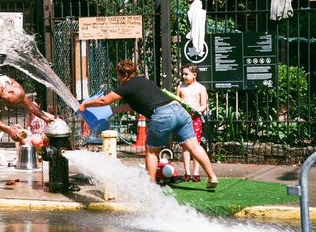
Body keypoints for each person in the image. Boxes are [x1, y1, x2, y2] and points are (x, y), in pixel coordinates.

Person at [78, 59, 218, 188]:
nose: (118, 79)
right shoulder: (143, 81)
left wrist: (86, 104)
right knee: (193, 146)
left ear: (124, 75)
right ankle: (212, 177)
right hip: (179, 111)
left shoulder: (126, 87)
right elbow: (135, 105)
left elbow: (104, 100)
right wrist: (114, 111)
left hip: (163, 115)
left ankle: (150, 187)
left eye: (118, 75)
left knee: (151, 152)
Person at [176, 63, 208, 182]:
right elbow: (177, 102)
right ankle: (187, 172)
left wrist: (197, 110)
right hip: (183, 119)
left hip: (195, 119)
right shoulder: (181, 87)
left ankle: (196, 172)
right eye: (183, 74)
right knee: (185, 146)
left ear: (194, 75)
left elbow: (203, 105)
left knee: (195, 145)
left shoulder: (200, 88)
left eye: (186, 74)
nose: (184, 76)